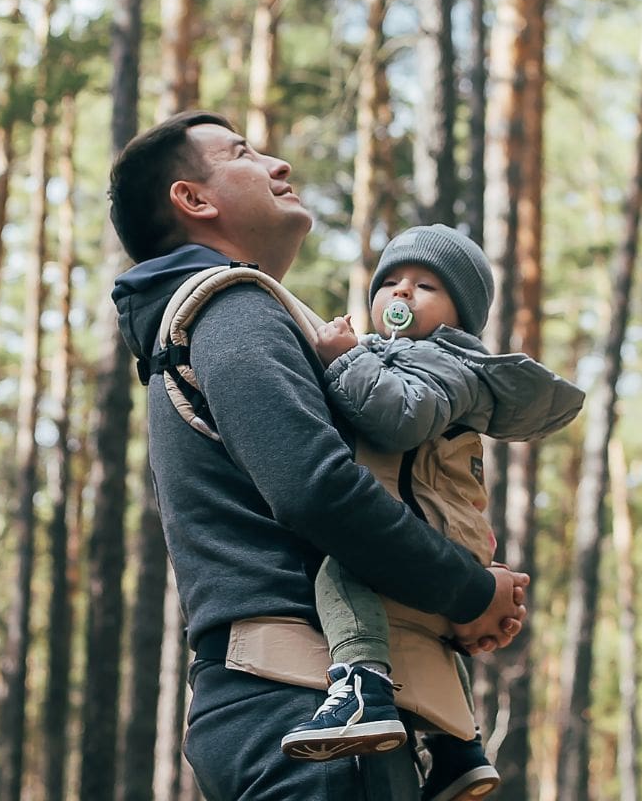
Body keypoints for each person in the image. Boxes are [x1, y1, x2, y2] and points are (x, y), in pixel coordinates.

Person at [108, 110, 531, 800]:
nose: (280, 165)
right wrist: (468, 589)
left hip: (296, 711)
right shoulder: (231, 308)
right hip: (302, 706)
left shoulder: (228, 318)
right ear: (194, 199)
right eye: (244, 153)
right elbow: (316, 490)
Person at [279, 225, 585, 800]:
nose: (400, 294)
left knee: (344, 574)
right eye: (389, 282)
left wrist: (346, 361)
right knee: (430, 635)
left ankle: (359, 689)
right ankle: (458, 749)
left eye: (424, 286)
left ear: (459, 316)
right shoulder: (396, 356)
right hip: (441, 526)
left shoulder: (449, 363)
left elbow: (402, 420)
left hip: (425, 526)